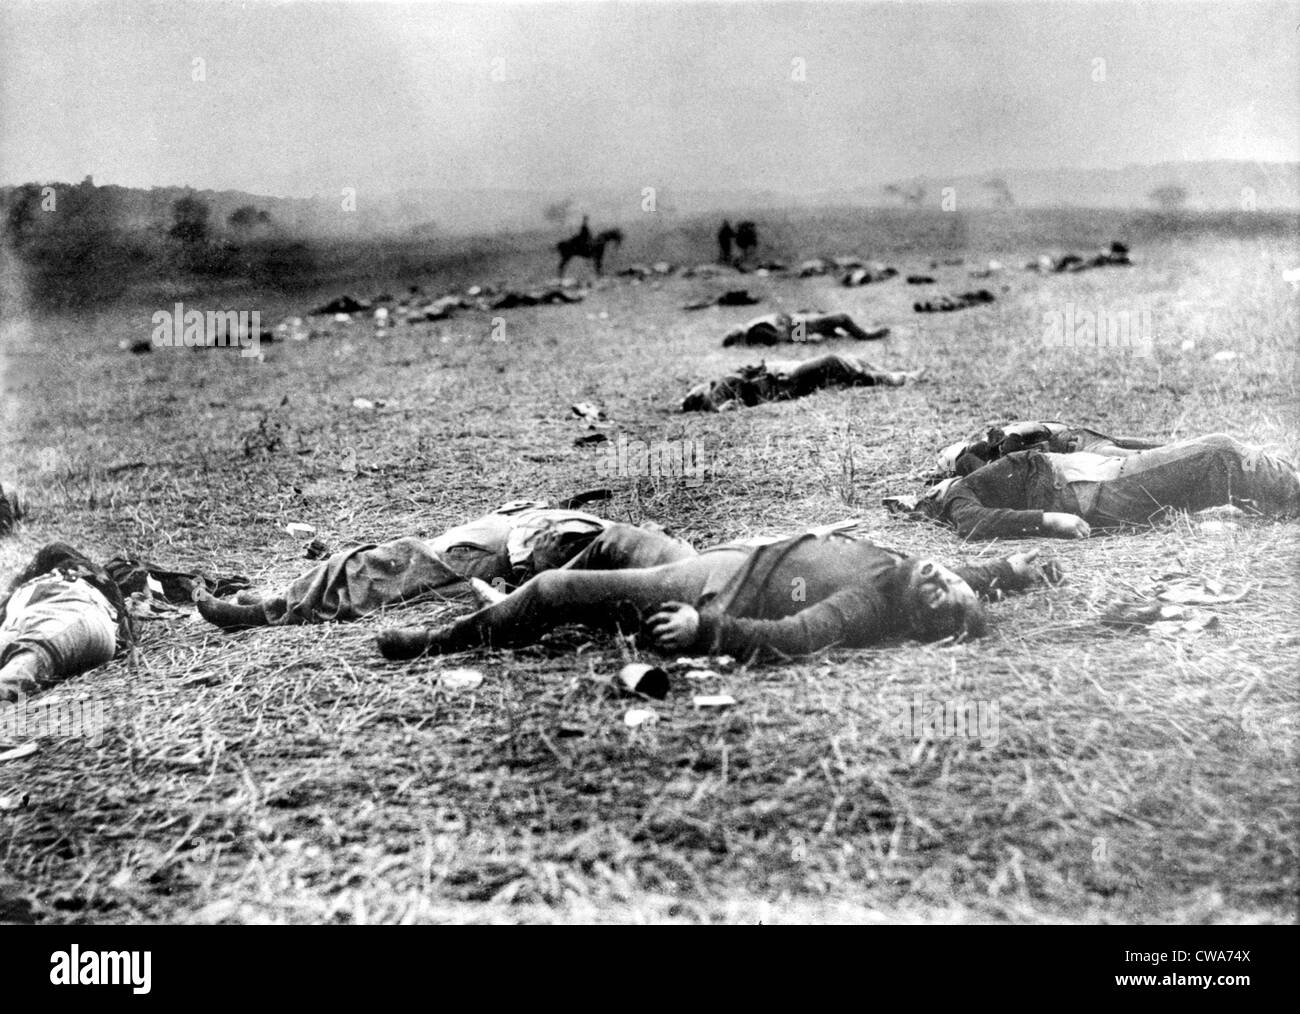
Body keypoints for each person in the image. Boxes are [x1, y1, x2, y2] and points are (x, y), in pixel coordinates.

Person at [376, 524, 1058, 662]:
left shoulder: (873, 604)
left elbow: (796, 637)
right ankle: (514, 598)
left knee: (558, 588)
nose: (941, 582)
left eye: (941, 602)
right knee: (619, 538)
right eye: (950, 582)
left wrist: (708, 634)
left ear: (916, 619)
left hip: (716, 589)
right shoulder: (916, 573)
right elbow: (958, 580)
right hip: (727, 557)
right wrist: (1011, 570)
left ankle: (447, 639)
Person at [194, 500, 639, 629]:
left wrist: (514, 568)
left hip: (481, 559)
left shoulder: (603, 547)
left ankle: (260, 614)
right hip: (490, 537)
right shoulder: (609, 533)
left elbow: (548, 570)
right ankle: (282, 600)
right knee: (372, 560)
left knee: (369, 571)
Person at [915, 433, 1300, 539]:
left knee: (1214, 473)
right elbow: (972, 523)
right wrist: (1048, 520)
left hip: (1098, 479)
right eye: (930, 494)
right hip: (1098, 490)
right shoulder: (958, 496)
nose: (936, 487)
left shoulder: (970, 480)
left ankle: (1286, 499)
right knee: (1221, 451)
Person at [0, 543, 133, 702]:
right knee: (32, 650)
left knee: (34, 652)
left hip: (72, 603)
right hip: (21, 614)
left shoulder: (89, 579)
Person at [682, 354, 923, 412]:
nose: (700, 385)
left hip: (784, 378)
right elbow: (723, 406)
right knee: (833, 361)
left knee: (844, 366)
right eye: (695, 390)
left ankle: (897, 376)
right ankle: (896, 378)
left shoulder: (720, 388)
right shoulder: (717, 391)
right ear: (699, 395)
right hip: (784, 384)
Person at [721, 311, 889, 347]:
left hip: (796, 325)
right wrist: (802, 338)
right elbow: (781, 338)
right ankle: (866, 336)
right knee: (842, 317)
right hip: (797, 326)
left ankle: (836, 334)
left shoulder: (754, 328)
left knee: (830, 323)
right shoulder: (755, 329)